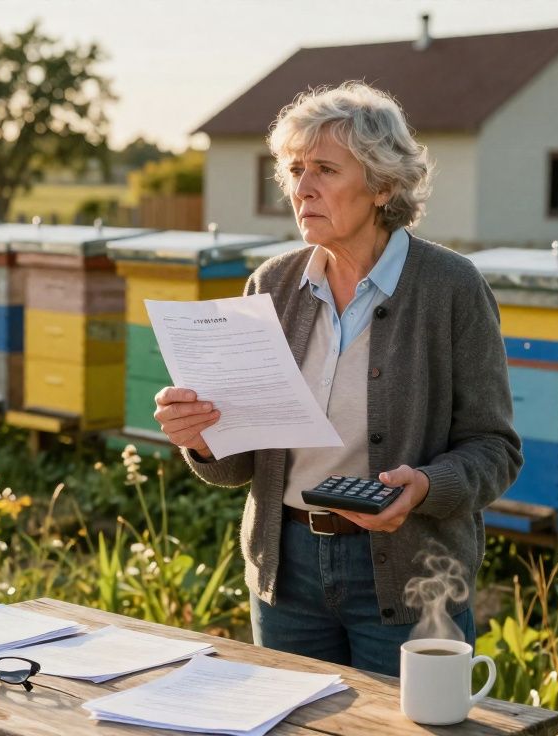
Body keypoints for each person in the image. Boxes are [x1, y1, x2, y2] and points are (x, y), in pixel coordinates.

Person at [153, 81, 522, 677]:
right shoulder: (271, 285)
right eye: (295, 170)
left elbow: (494, 449)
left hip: (411, 574)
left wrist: (423, 487)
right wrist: (200, 437)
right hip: (286, 569)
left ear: (382, 185)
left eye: (325, 168)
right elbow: (240, 466)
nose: (302, 188)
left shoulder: (452, 288)